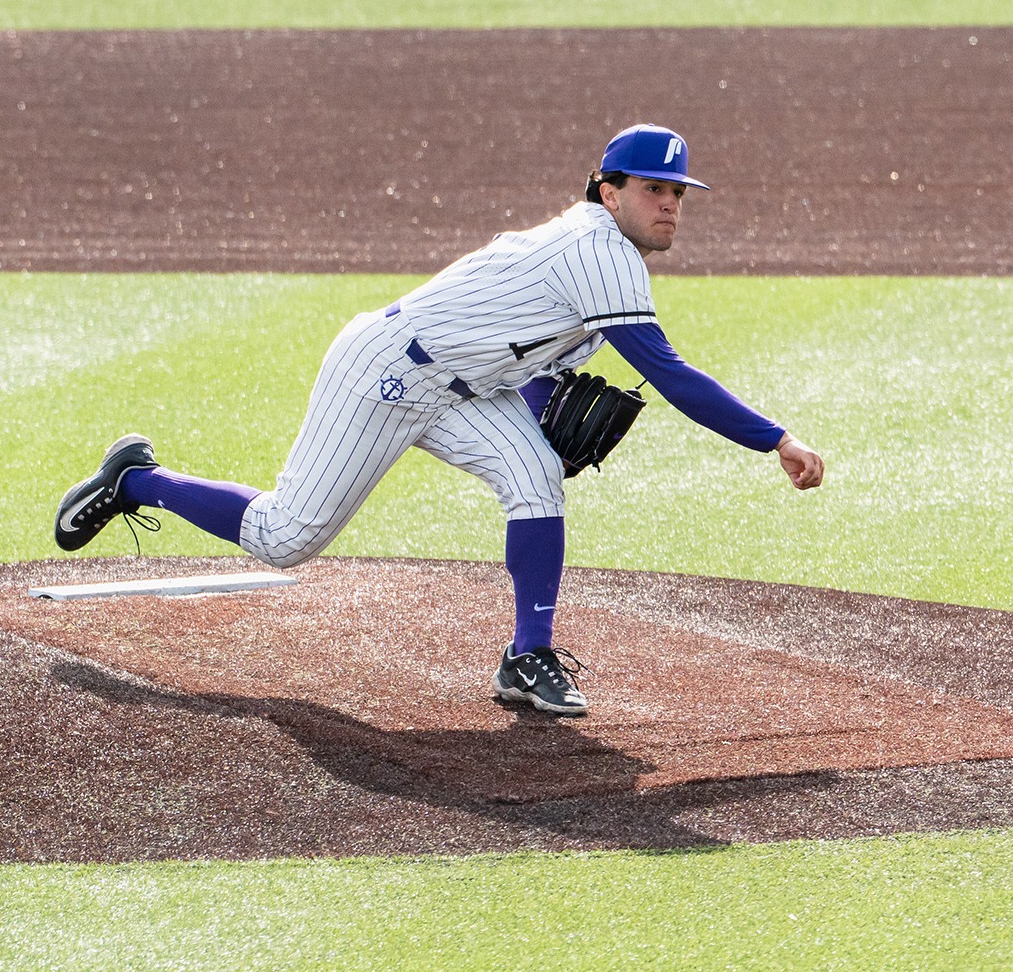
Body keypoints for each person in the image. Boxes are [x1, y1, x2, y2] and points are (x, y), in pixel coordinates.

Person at [53, 123, 825, 716]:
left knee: (535, 474)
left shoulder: (601, 256)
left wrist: (536, 416)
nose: (670, 205)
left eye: (679, 193)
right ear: (607, 191)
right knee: (285, 538)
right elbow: (671, 374)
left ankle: (528, 657)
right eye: (654, 188)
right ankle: (138, 480)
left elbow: (528, 362)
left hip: (463, 387)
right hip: (386, 372)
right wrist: (777, 440)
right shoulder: (597, 251)